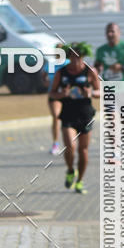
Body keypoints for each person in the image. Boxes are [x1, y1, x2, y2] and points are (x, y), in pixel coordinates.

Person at [49, 42, 100, 194]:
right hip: (68, 115)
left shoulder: (89, 71)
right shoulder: (62, 72)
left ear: (83, 56)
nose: (76, 59)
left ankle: (80, 181)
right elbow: (52, 93)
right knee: (70, 147)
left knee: (83, 150)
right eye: (72, 55)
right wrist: (62, 94)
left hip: (85, 115)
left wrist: (90, 93)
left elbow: (100, 91)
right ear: (69, 56)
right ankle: (71, 170)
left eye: (79, 56)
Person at [48, 43, 66, 155]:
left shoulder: (69, 64)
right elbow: (44, 77)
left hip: (68, 96)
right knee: (56, 116)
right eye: (57, 51)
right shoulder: (51, 64)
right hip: (55, 95)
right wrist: (46, 81)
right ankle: (55, 143)